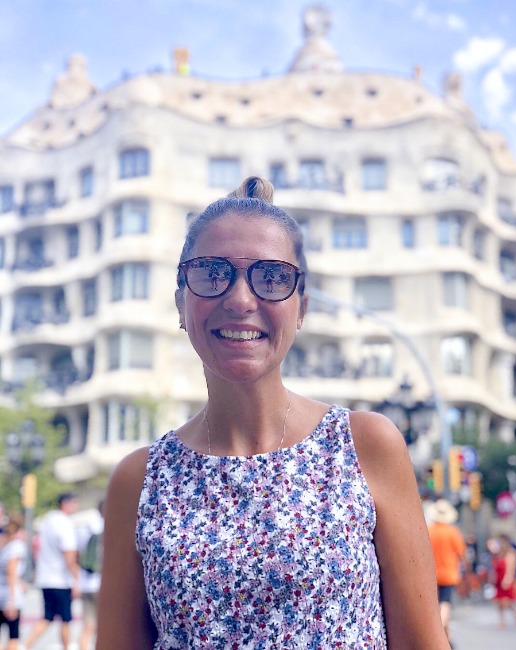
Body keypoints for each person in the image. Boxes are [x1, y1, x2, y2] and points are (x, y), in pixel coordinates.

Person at [97, 176, 450, 648]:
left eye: (271, 278)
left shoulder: (366, 446)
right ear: (181, 302)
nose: (241, 300)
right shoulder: (139, 480)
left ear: (300, 307)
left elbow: (422, 642)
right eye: (211, 273)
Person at [24, 492, 80, 650]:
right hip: (60, 579)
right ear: (66, 504)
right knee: (65, 619)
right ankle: (66, 647)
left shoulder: (48, 520)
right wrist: (76, 579)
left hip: (46, 576)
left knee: (47, 617)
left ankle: (25, 645)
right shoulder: (64, 523)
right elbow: (69, 555)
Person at [427, 498, 467, 646]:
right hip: (449, 574)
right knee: (445, 603)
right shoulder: (452, 532)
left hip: (431, 575)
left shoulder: (429, 530)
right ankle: (441, 629)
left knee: (436, 604)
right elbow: (462, 554)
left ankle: (446, 638)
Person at [77, 501, 104, 650]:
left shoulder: (85, 527)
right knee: (105, 626)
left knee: (88, 626)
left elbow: (76, 555)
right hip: (101, 583)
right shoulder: (108, 526)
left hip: (85, 581)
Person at [0, 513, 27, 650]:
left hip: (3, 591)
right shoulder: (16, 546)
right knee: (13, 635)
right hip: (8, 595)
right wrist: (11, 601)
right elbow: (11, 573)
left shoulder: (5, 545)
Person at [490, 533, 516, 629]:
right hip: (498, 580)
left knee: (507, 601)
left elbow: (511, 567)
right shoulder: (498, 554)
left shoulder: (510, 553)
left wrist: (507, 579)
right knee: (499, 602)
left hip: (506, 580)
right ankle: (502, 620)